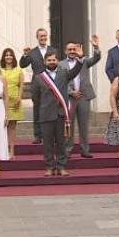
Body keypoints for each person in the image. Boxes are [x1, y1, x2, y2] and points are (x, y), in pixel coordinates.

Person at [31, 48, 83, 176]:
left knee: (61, 143)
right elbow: (35, 98)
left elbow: (75, 71)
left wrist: (80, 59)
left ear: (57, 61)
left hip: (61, 114)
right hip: (46, 115)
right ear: (45, 62)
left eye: (54, 59)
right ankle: (49, 167)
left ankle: (61, 166)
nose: (52, 62)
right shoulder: (38, 78)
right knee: (48, 144)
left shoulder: (64, 73)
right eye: (49, 60)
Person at [65, 36, 101, 159]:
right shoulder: (61, 65)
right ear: (66, 51)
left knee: (84, 125)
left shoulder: (84, 61)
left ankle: (85, 150)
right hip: (69, 98)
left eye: (74, 49)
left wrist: (96, 47)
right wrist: (70, 92)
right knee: (69, 125)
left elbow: (96, 58)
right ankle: (67, 149)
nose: (72, 51)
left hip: (84, 96)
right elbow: (60, 82)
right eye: (69, 49)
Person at [19, 28, 57, 144]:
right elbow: (22, 64)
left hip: (52, 83)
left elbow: (58, 65)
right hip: (37, 84)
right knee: (37, 109)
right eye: (41, 36)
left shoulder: (53, 50)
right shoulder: (32, 52)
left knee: (52, 108)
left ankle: (53, 135)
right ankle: (37, 135)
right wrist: (25, 55)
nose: (43, 38)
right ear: (37, 37)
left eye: (45, 36)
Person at [0, 48, 24, 160]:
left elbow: (21, 86)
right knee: (2, 127)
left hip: (14, 101)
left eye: (10, 55)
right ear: (3, 57)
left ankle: (12, 151)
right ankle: (2, 151)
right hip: (1, 101)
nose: (8, 57)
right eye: (6, 55)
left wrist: (19, 98)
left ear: (13, 57)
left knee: (12, 127)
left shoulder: (18, 70)